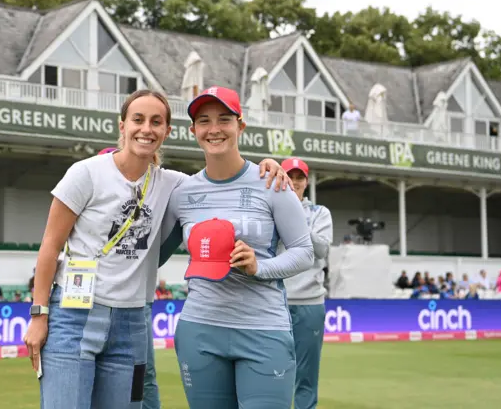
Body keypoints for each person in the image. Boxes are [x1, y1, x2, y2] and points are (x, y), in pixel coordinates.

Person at [22, 89, 292, 409]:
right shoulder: (86, 173)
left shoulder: (175, 184)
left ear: (167, 131)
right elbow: (50, 246)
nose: (146, 129)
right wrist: (39, 315)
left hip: (131, 322)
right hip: (74, 312)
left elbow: (221, 178)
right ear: (122, 126)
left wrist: (266, 167)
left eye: (156, 122)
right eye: (138, 120)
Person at [159, 86, 315, 409]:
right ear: (193, 131)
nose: (214, 129)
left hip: (264, 330)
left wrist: (260, 267)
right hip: (200, 331)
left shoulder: (273, 182)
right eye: (204, 121)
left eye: (224, 119)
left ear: (240, 126)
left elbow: (304, 251)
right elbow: (154, 255)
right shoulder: (182, 192)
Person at [280, 157, 333, 409]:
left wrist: (296, 219)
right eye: (289, 176)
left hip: (310, 303)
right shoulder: (270, 208)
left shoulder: (320, 213)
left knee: (306, 375)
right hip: (275, 301)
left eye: (299, 177)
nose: (294, 182)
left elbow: (322, 249)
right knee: (273, 371)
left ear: (306, 181)